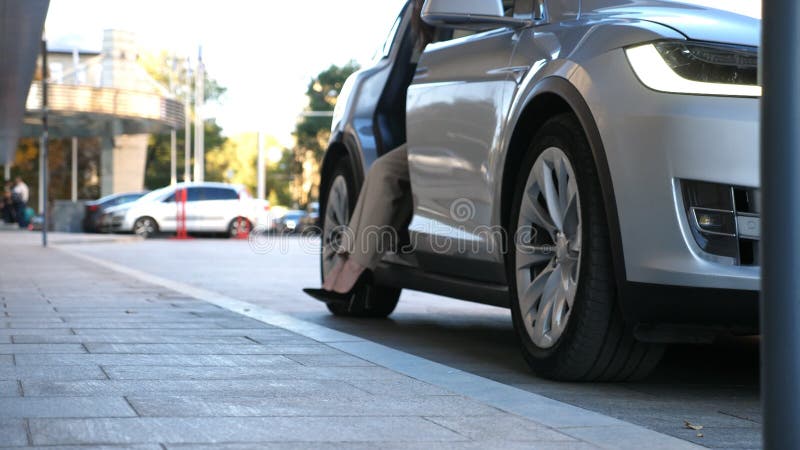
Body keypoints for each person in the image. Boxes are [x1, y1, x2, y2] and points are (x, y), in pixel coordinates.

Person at [304, 0, 434, 303]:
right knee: (387, 172)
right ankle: (352, 263)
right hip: (437, 131)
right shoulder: (430, 37)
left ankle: (355, 267)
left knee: (388, 171)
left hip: (460, 132)